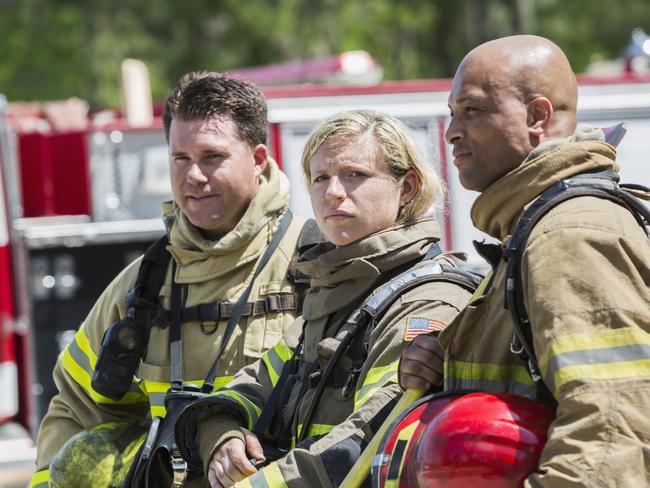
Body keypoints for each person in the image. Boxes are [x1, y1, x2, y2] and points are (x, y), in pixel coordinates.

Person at [30, 72, 309, 488]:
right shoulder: (144, 285)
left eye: (212, 157)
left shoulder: (314, 266)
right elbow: (76, 405)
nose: (194, 176)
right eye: (181, 158)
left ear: (258, 160)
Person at [174, 109, 477, 488]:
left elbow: (372, 436)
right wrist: (221, 436)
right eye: (320, 178)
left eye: (355, 175)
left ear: (408, 188)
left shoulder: (425, 303)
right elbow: (248, 388)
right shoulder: (336, 295)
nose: (332, 192)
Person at [399, 35, 650, 487]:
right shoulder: (530, 227)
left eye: (472, 110)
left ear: (538, 117)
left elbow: (612, 434)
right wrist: (446, 367)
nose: (452, 131)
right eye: (453, 113)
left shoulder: (571, 234)